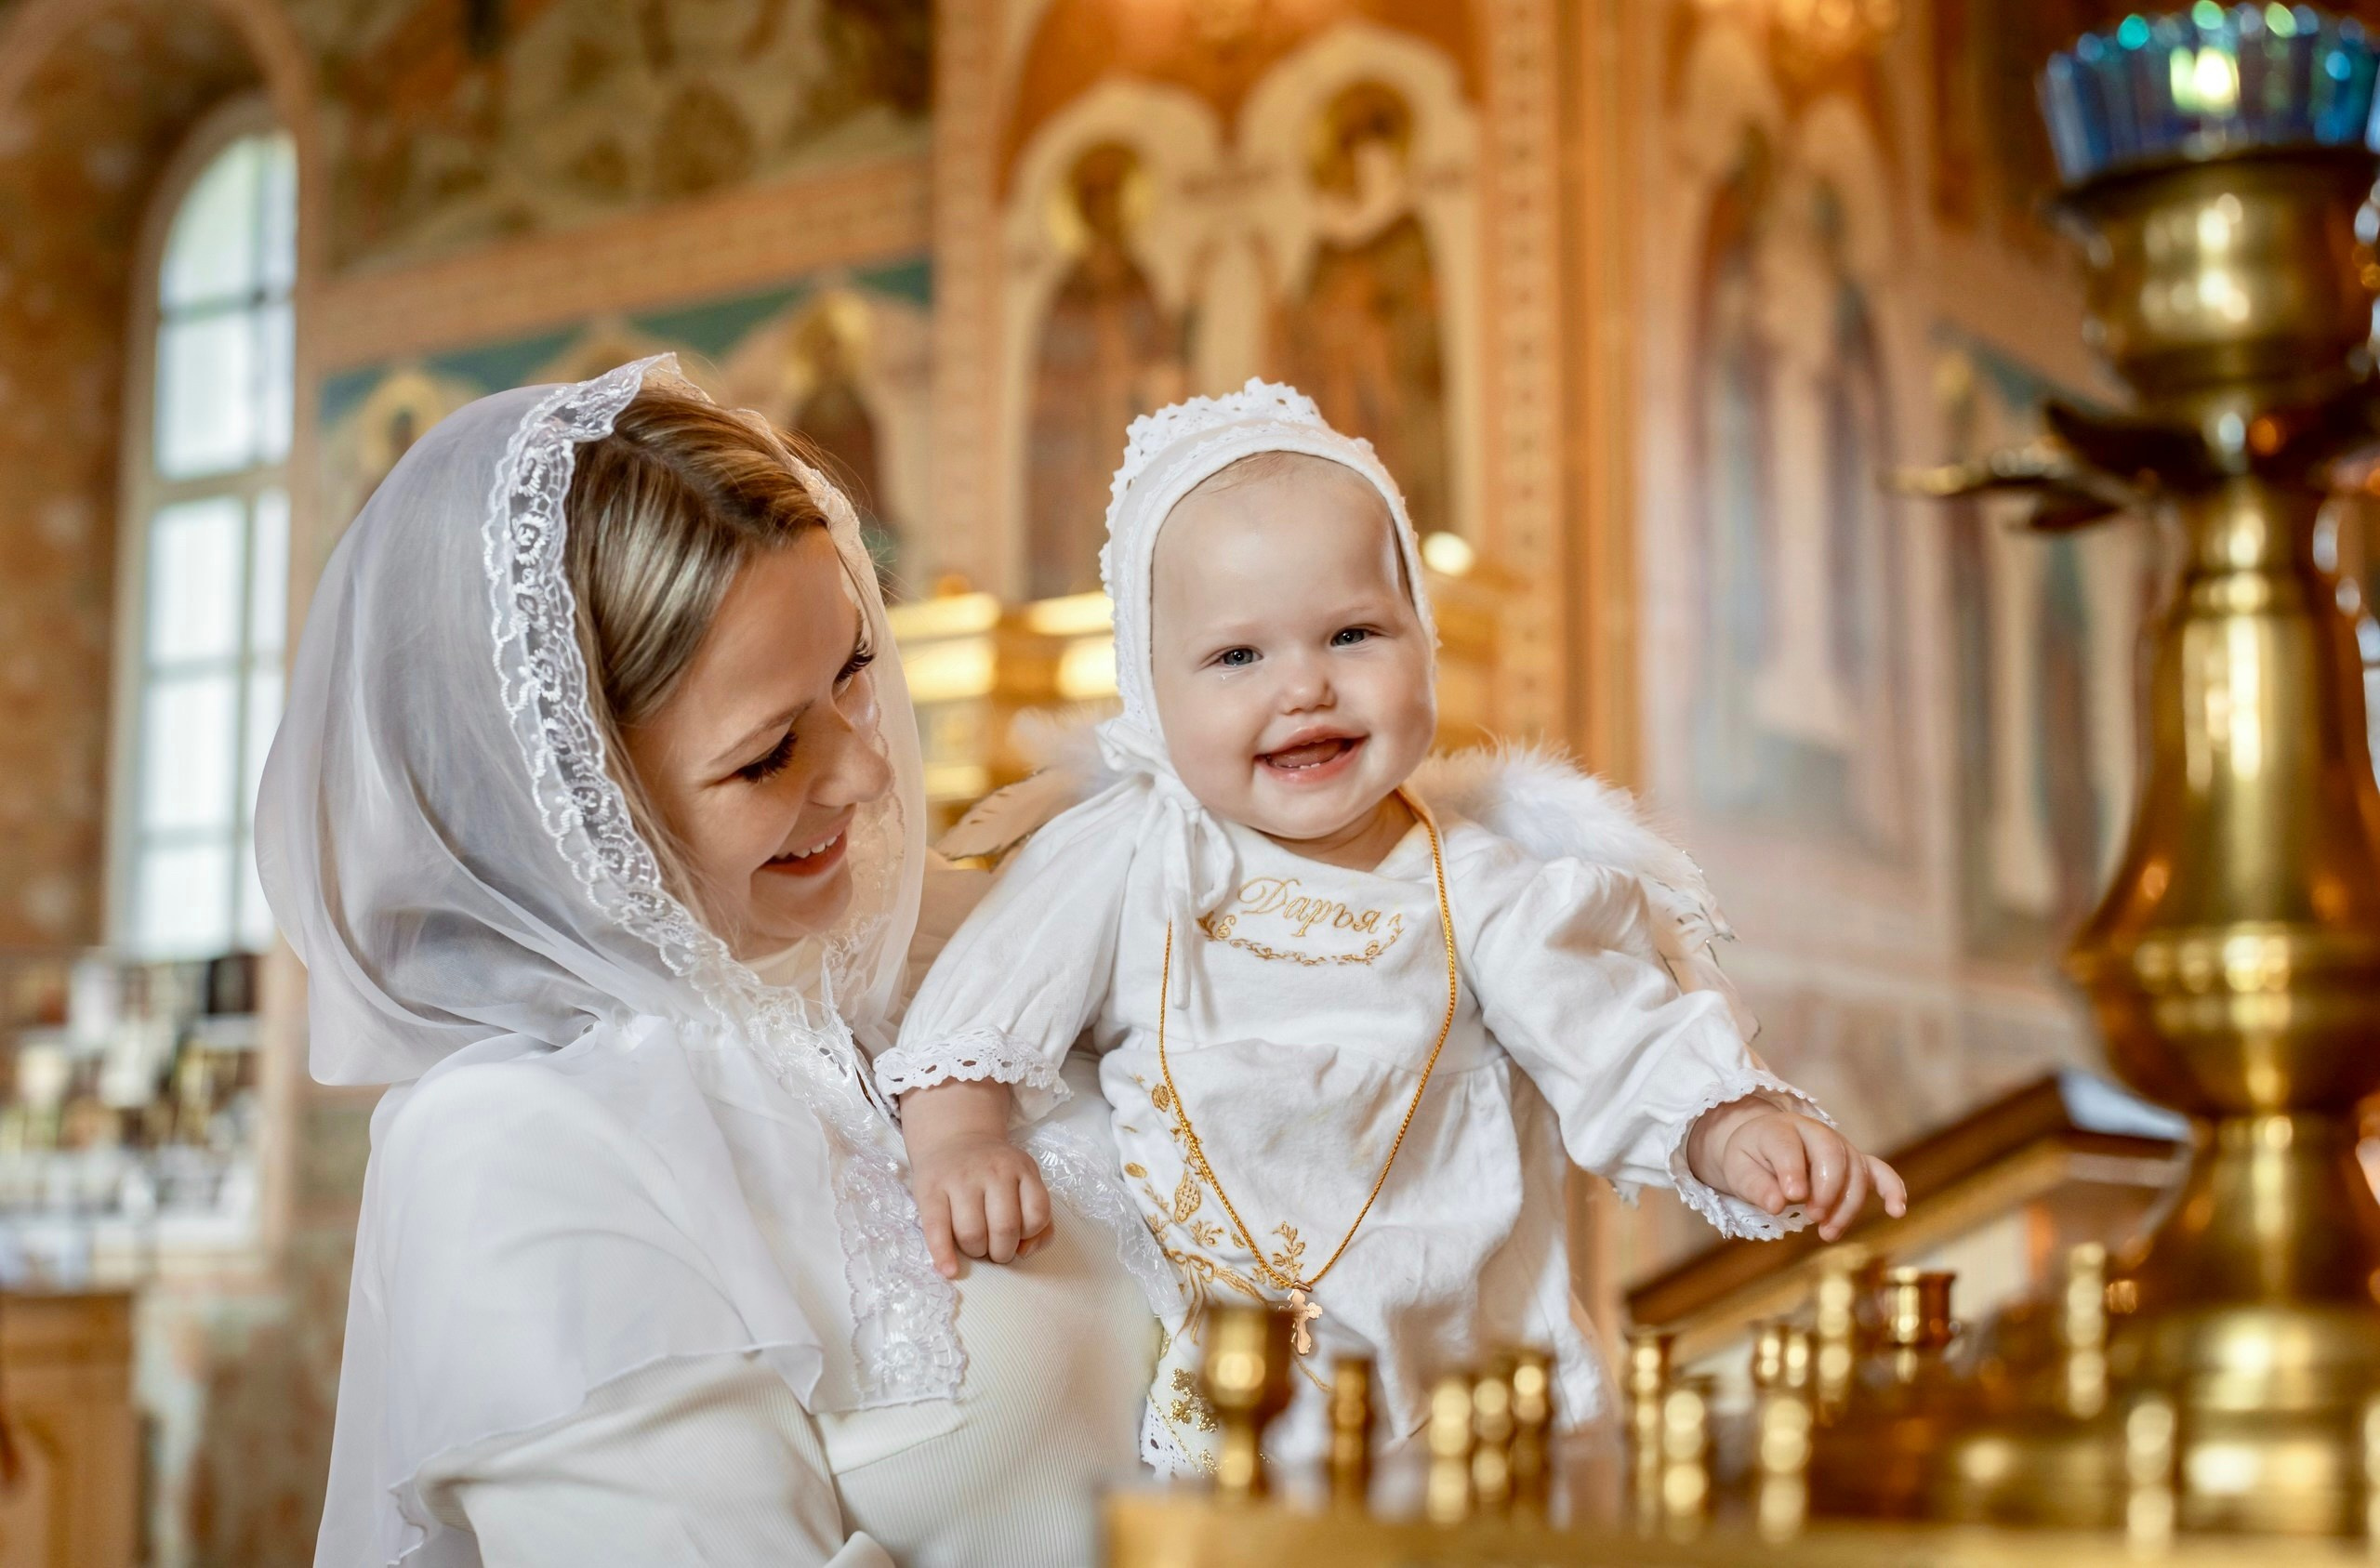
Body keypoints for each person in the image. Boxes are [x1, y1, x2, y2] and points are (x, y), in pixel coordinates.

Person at [877, 380, 1909, 1474]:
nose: (1305, 686)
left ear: (1423, 644)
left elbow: (1617, 1030)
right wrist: (962, 1140)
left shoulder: (1479, 884)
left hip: (1470, 1383)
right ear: (1148, 689)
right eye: (1237, 657)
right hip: (1232, 1391)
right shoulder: (1123, 854)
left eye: (1353, 632)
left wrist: (1724, 1122)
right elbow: (979, 1008)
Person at [258, 356, 1162, 1568]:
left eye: (853, 670)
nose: (867, 770)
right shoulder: (514, 1151)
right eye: (769, 752)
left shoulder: (955, 945)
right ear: (576, 804)